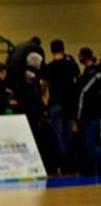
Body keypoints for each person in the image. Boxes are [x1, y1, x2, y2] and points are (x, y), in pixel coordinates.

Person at [42, 39, 80, 174]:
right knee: (69, 135)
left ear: (51, 51)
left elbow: (44, 88)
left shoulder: (48, 67)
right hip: (69, 104)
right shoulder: (72, 66)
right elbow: (76, 82)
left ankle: (62, 166)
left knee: (58, 136)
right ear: (63, 49)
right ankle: (72, 165)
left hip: (55, 103)